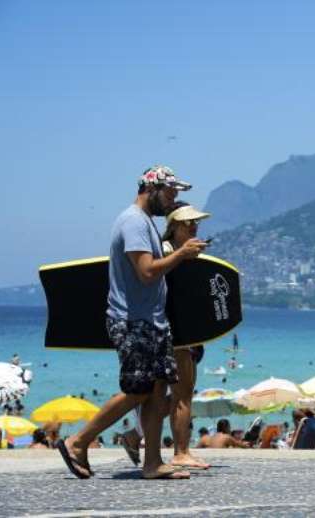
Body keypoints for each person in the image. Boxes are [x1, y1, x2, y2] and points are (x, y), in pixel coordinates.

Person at [58, 165, 205, 480]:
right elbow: (147, 271)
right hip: (132, 320)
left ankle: (152, 463)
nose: (172, 201)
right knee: (137, 390)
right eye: (169, 193)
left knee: (156, 390)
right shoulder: (133, 222)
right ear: (150, 189)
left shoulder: (146, 224)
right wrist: (182, 255)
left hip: (152, 320)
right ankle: (77, 442)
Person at [121, 201, 212, 470]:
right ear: (173, 227)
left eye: (196, 222)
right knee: (181, 394)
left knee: (171, 396)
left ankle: (135, 434)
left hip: (183, 333)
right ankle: (181, 451)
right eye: (188, 223)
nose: (194, 226)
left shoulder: (181, 252)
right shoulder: (167, 252)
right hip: (171, 333)